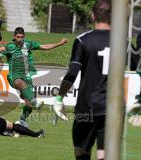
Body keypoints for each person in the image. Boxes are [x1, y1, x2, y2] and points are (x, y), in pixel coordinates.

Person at [53, 0, 111, 159]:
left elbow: (72, 73)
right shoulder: (123, 42)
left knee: (81, 153)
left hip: (86, 108)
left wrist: (59, 98)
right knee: (104, 154)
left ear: (92, 16)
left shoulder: (83, 40)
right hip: (111, 110)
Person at [0, 27, 67, 126]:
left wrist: (59, 44)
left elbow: (44, 47)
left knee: (29, 104)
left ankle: (23, 118)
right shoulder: (9, 46)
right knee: (20, 83)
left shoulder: (28, 44)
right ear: (14, 37)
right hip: (14, 76)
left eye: (22, 37)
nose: (20, 39)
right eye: (18, 37)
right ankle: (36, 103)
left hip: (27, 77)